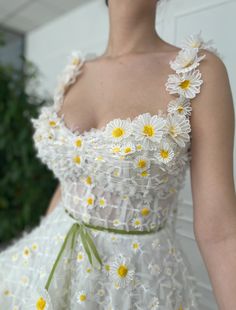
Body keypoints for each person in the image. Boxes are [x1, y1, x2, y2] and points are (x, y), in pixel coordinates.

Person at [0, 0, 235, 309]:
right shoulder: (75, 73)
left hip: (132, 286)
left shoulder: (197, 71)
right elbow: (72, 181)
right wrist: (41, 259)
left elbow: (221, 232)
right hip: (47, 266)